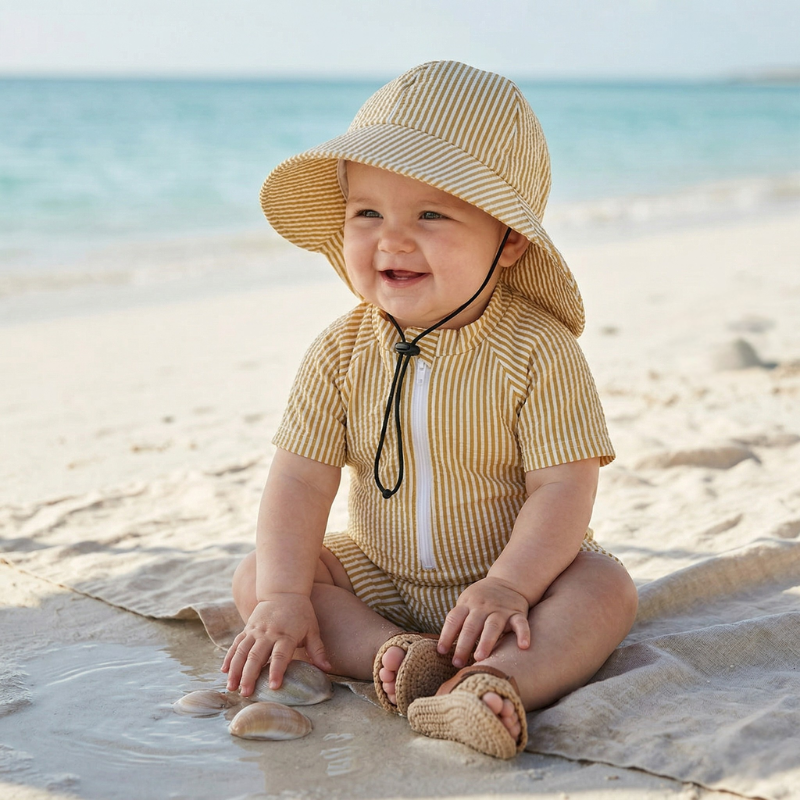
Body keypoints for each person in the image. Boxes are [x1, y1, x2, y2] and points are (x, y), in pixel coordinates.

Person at [222, 60, 638, 759]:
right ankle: (396, 657)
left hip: (518, 592)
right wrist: (286, 595)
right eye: (368, 213)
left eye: (431, 214)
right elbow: (299, 478)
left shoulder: (536, 350)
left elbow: (565, 485)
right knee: (262, 575)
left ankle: (495, 682)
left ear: (508, 240)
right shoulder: (342, 349)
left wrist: (508, 584)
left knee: (605, 588)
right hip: (380, 578)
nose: (392, 238)